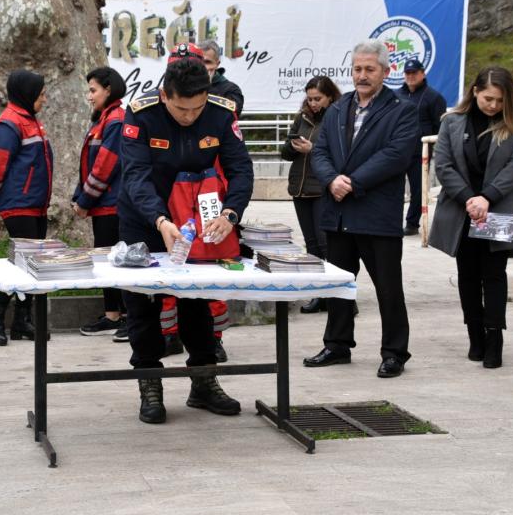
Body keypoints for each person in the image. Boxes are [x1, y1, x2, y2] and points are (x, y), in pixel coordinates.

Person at [119, 55, 254, 423]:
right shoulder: (140, 114)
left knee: (196, 298)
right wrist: (160, 220)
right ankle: (150, 383)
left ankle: (204, 380)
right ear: (164, 96)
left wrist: (230, 214)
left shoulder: (221, 113)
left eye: (196, 109)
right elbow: (135, 176)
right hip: (146, 220)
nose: (189, 117)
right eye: (181, 109)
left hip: (198, 219)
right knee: (143, 304)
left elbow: (241, 168)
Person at [304, 39, 417, 379]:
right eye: (357, 69)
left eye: (370, 69)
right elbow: (320, 152)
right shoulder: (339, 109)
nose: (362, 76)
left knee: (388, 287)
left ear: (386, 70)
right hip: (338, 213)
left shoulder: (402, 110)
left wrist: (350, 182)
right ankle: (337, 345)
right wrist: (331, 180)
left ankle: (395, 352)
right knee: (338, 285)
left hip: (376, 214)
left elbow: (395, 156)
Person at [429, 66, 513, 369]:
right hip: (463, 211)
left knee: (494, 275)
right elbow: (443, 165)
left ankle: (494, 336)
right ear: (475, 92)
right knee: (468, 276)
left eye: (500, 101)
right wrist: (469, 199)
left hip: (496, 209)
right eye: (488, 99)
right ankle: (474, 333)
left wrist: (487, 197)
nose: (494, 106)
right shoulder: (452, 122)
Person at [0, 70, 52, 346]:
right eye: (41, 94)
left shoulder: (29, 120)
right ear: (27, 94)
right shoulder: (10, 124)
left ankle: (22, 320)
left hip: (35, 205)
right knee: (21, 261)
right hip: (18, 204)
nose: (44, 99)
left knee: (29, 263)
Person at [73, 67, 129, 342]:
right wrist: (79, 194)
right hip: (103, 205)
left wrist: (84, 200)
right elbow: (89, 164)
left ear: (109, 89)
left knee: (118, 261)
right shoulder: (104, 119)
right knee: (107, 260)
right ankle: (112, 315)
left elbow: (105, 167)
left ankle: (128, 316)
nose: (89, 96)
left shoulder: (116, 120)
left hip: (113, 205)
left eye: (93, 90)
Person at [280, 75, 341, 314]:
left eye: (318, 98)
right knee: (312, 245)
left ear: (330, 96)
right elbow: (285, 153)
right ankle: (319, 294)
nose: (313, 103)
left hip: (323, 188)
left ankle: (338, 296)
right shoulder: (302, 117)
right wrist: (292, 145)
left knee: (327, 244)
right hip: (300, 188)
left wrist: (312, 149)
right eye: (310, 98)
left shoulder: (337, 116)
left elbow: (339, 153)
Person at [397, 58, 447, 235]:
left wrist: (433, 150)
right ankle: (393, 220)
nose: (411, 76)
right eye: (408, 73)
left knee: (418, 190)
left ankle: (412, 224)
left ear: (422, 73)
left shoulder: (434, 97)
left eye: (414, 73)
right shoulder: (396, 95)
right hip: (397, 151)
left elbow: (440, 127)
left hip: (420, 152)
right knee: (393, 188)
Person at [200, 39, 244, 117]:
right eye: (198, 61)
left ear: (217, 64)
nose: (202, 67)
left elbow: (232, 114)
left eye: (207, 62)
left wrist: (206, 87)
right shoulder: (183, 85)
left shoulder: (231, 89)